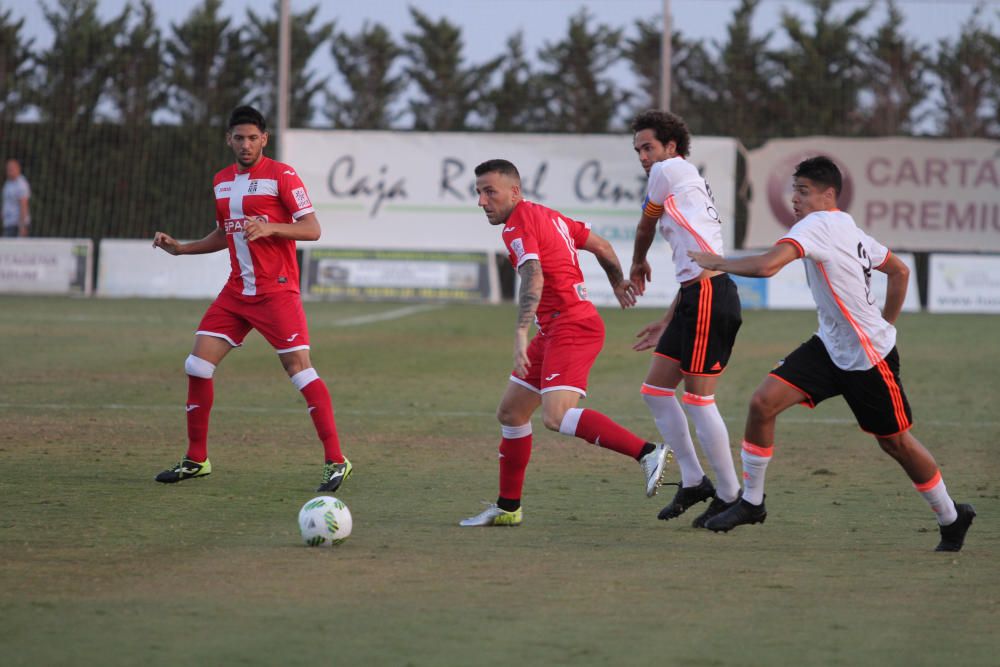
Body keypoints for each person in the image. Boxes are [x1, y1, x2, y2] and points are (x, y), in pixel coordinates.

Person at [689, 155, 975, 551]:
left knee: (896, 443)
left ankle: (951, 516)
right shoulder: (847, 227)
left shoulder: (817, 224)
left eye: (803, 191)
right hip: (829, 346)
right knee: (762, 404)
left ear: (828, 195)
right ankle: (752, 503)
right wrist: (887, 323)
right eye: (794, 191)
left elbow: (770, 266)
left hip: (869, 358)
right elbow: (900, 271)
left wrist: (718, 263)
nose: (795, 199)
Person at [459, 158, 669, 527]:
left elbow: (533, 275)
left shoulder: (518, 226)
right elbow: (600, 245)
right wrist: (617, 281)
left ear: (515, 191)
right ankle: (508, 508)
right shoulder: (548, 215)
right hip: (558, 327)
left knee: (556, 416)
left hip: (572, 327)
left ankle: (648, 452)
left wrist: (521, 330)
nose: (482, 201)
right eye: (478, 192)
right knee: (511, 413)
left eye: (489, 191)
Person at [151, 105, 351, 493]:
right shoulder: (222, 181)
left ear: (264, 140)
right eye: (239, 138)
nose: (246, 144)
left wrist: (270, 227)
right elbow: (223, 234)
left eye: (253, 138)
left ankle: (336, 460)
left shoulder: (282, 175)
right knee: (196, 365)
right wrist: (182, 248)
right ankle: (196, 459)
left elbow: (312, 229)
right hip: (236, 292)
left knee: (300, 371)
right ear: (229, 140)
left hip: (276, 290)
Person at [628, 110, 743, 528]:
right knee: (655, 391)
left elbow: (644, 226)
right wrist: (667, 318)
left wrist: (637, 263)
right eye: (638, 149)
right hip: (696, 295)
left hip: (712, 296)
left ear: (671, 147)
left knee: (698, 399)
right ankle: (695, 481)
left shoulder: (669, 169)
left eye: (648, 147)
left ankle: (734, 496)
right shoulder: (682, 178)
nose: (643, 156)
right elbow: (691, 264)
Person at [3, 158, 31, 237]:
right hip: (8, 223)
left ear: (18, 169)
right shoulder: (8, 183)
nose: (9, 171)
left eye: (11, 169)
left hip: (17, 224)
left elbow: (24, 205)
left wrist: (22, 226)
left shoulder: (21, 184)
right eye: (8, 169)